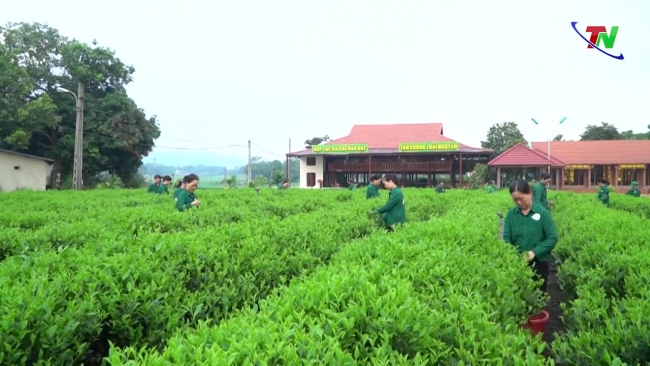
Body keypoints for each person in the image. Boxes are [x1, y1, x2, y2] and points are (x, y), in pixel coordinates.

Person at [503, 179, 558, 293]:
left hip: (539, 263)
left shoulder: (542, 213)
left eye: (521, 198)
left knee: (537, 296)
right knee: (518, 295)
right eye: (515, 199)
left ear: (530, 194)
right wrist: (512, 257)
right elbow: (506, 239)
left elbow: (552, 237)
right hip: (517, 263)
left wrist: (534, 252)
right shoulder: (511, 215)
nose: (518, 202)